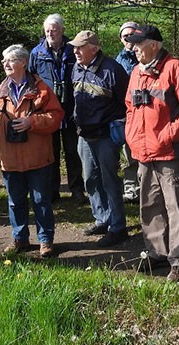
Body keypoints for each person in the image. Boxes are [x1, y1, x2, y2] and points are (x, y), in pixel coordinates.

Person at [124, 25, 179, 282]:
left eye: (139, 43)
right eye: (132, 43)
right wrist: (132, 136)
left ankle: (178, 262)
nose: (134, 48)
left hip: (169, 153)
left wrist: (167, 136)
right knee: (149, 205)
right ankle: (156, 254)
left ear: (154, 45)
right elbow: (129, 108)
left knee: (174, 208)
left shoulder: (174, 68)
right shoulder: (136, 71)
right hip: (143, 153)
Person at [0, 44, 65, 258]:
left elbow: (56, 117)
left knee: (41, 201)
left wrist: (32, 122)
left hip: (38, 158)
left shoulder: (42, 90)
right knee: (15, 201)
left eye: (10, 60)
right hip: (9, 161)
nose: (6, 64)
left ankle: (45, 240)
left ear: (23, 63)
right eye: (4, 61)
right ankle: (20, 239)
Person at [70, 30, 130, 247]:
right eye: (74, 47)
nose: (75, 51)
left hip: (105, 136)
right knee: (90, 179)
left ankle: (118, 226)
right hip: (84, 135)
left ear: (93, 48)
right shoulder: (76, 67)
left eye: (80, 47)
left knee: (109, 180)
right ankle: (102, 218)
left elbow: (127, 103)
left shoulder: (113, 70)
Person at [29, 13, 84, 204]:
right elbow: (31, 79)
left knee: (72, 151)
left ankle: (77, 189)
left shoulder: (73, 50)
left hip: (70, 107)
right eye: (47, 30)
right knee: (49, 151)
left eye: (54, 30)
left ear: (62, 31)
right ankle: (52, 190)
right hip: (48, 108)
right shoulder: (37, 52)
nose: (51, 33)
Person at [116, 21, 140, 203]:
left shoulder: (146, 55)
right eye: (126, 37)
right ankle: (131, 190)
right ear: (121, 39)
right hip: (127, 113)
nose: (130, 40)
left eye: (133, 35)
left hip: (147, 113)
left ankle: (149, 189)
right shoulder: (118, 61)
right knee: (129, 153)